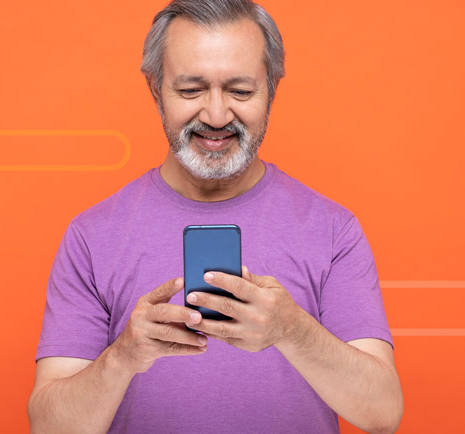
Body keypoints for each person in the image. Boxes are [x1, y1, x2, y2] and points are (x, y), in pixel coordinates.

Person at [28, 1, 403, 433]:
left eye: (241, 91)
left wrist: (291, 330)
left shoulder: (334, 229)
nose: (216, 115)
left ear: (272, 89)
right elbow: (48, 428)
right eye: (190, 90)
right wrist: (124, 356)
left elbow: (383, 413)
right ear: (154, 88)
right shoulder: (91, 237)